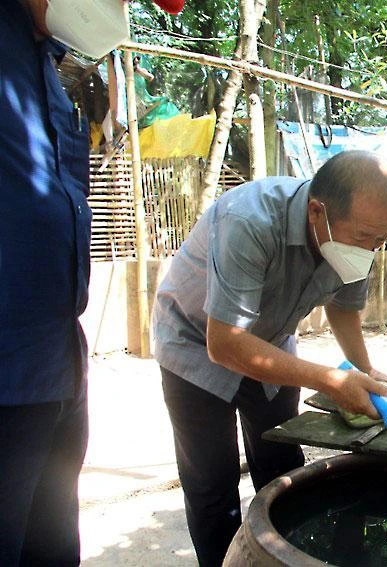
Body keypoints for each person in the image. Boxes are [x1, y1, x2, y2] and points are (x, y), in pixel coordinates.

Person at [152, 150, 387, 566]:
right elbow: (226, 343)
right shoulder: (248, 221)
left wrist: (364, 371)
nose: (372, 249)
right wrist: (331, 380)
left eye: (382, 238)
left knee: (283, 466)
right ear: (317, 212)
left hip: (271, 343)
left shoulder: (362, 238)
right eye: (364, 237)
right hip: (194, 346)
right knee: (212, 485)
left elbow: (343, 308)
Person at [0, 1, 180, 564]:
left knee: (52, 547)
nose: (119, 10)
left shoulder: (49, 69)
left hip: (57, 368)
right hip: (7, 378)